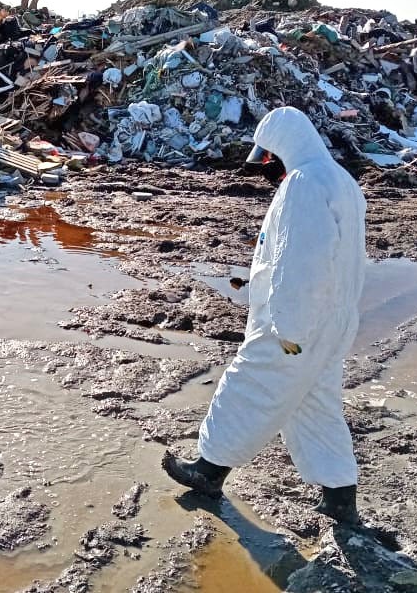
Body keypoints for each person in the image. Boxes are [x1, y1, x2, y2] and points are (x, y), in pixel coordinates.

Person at [162, 107, 367, 525]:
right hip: (333, 320)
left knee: (247, 385)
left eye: (267, 160)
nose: (266, 170)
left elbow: (302, 261)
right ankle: (340, 499)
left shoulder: (305, 184)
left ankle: (208, 470)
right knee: (315, 404)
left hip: (297, 323)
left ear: (279, 151)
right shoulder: (340, 181)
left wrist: (288, 327)